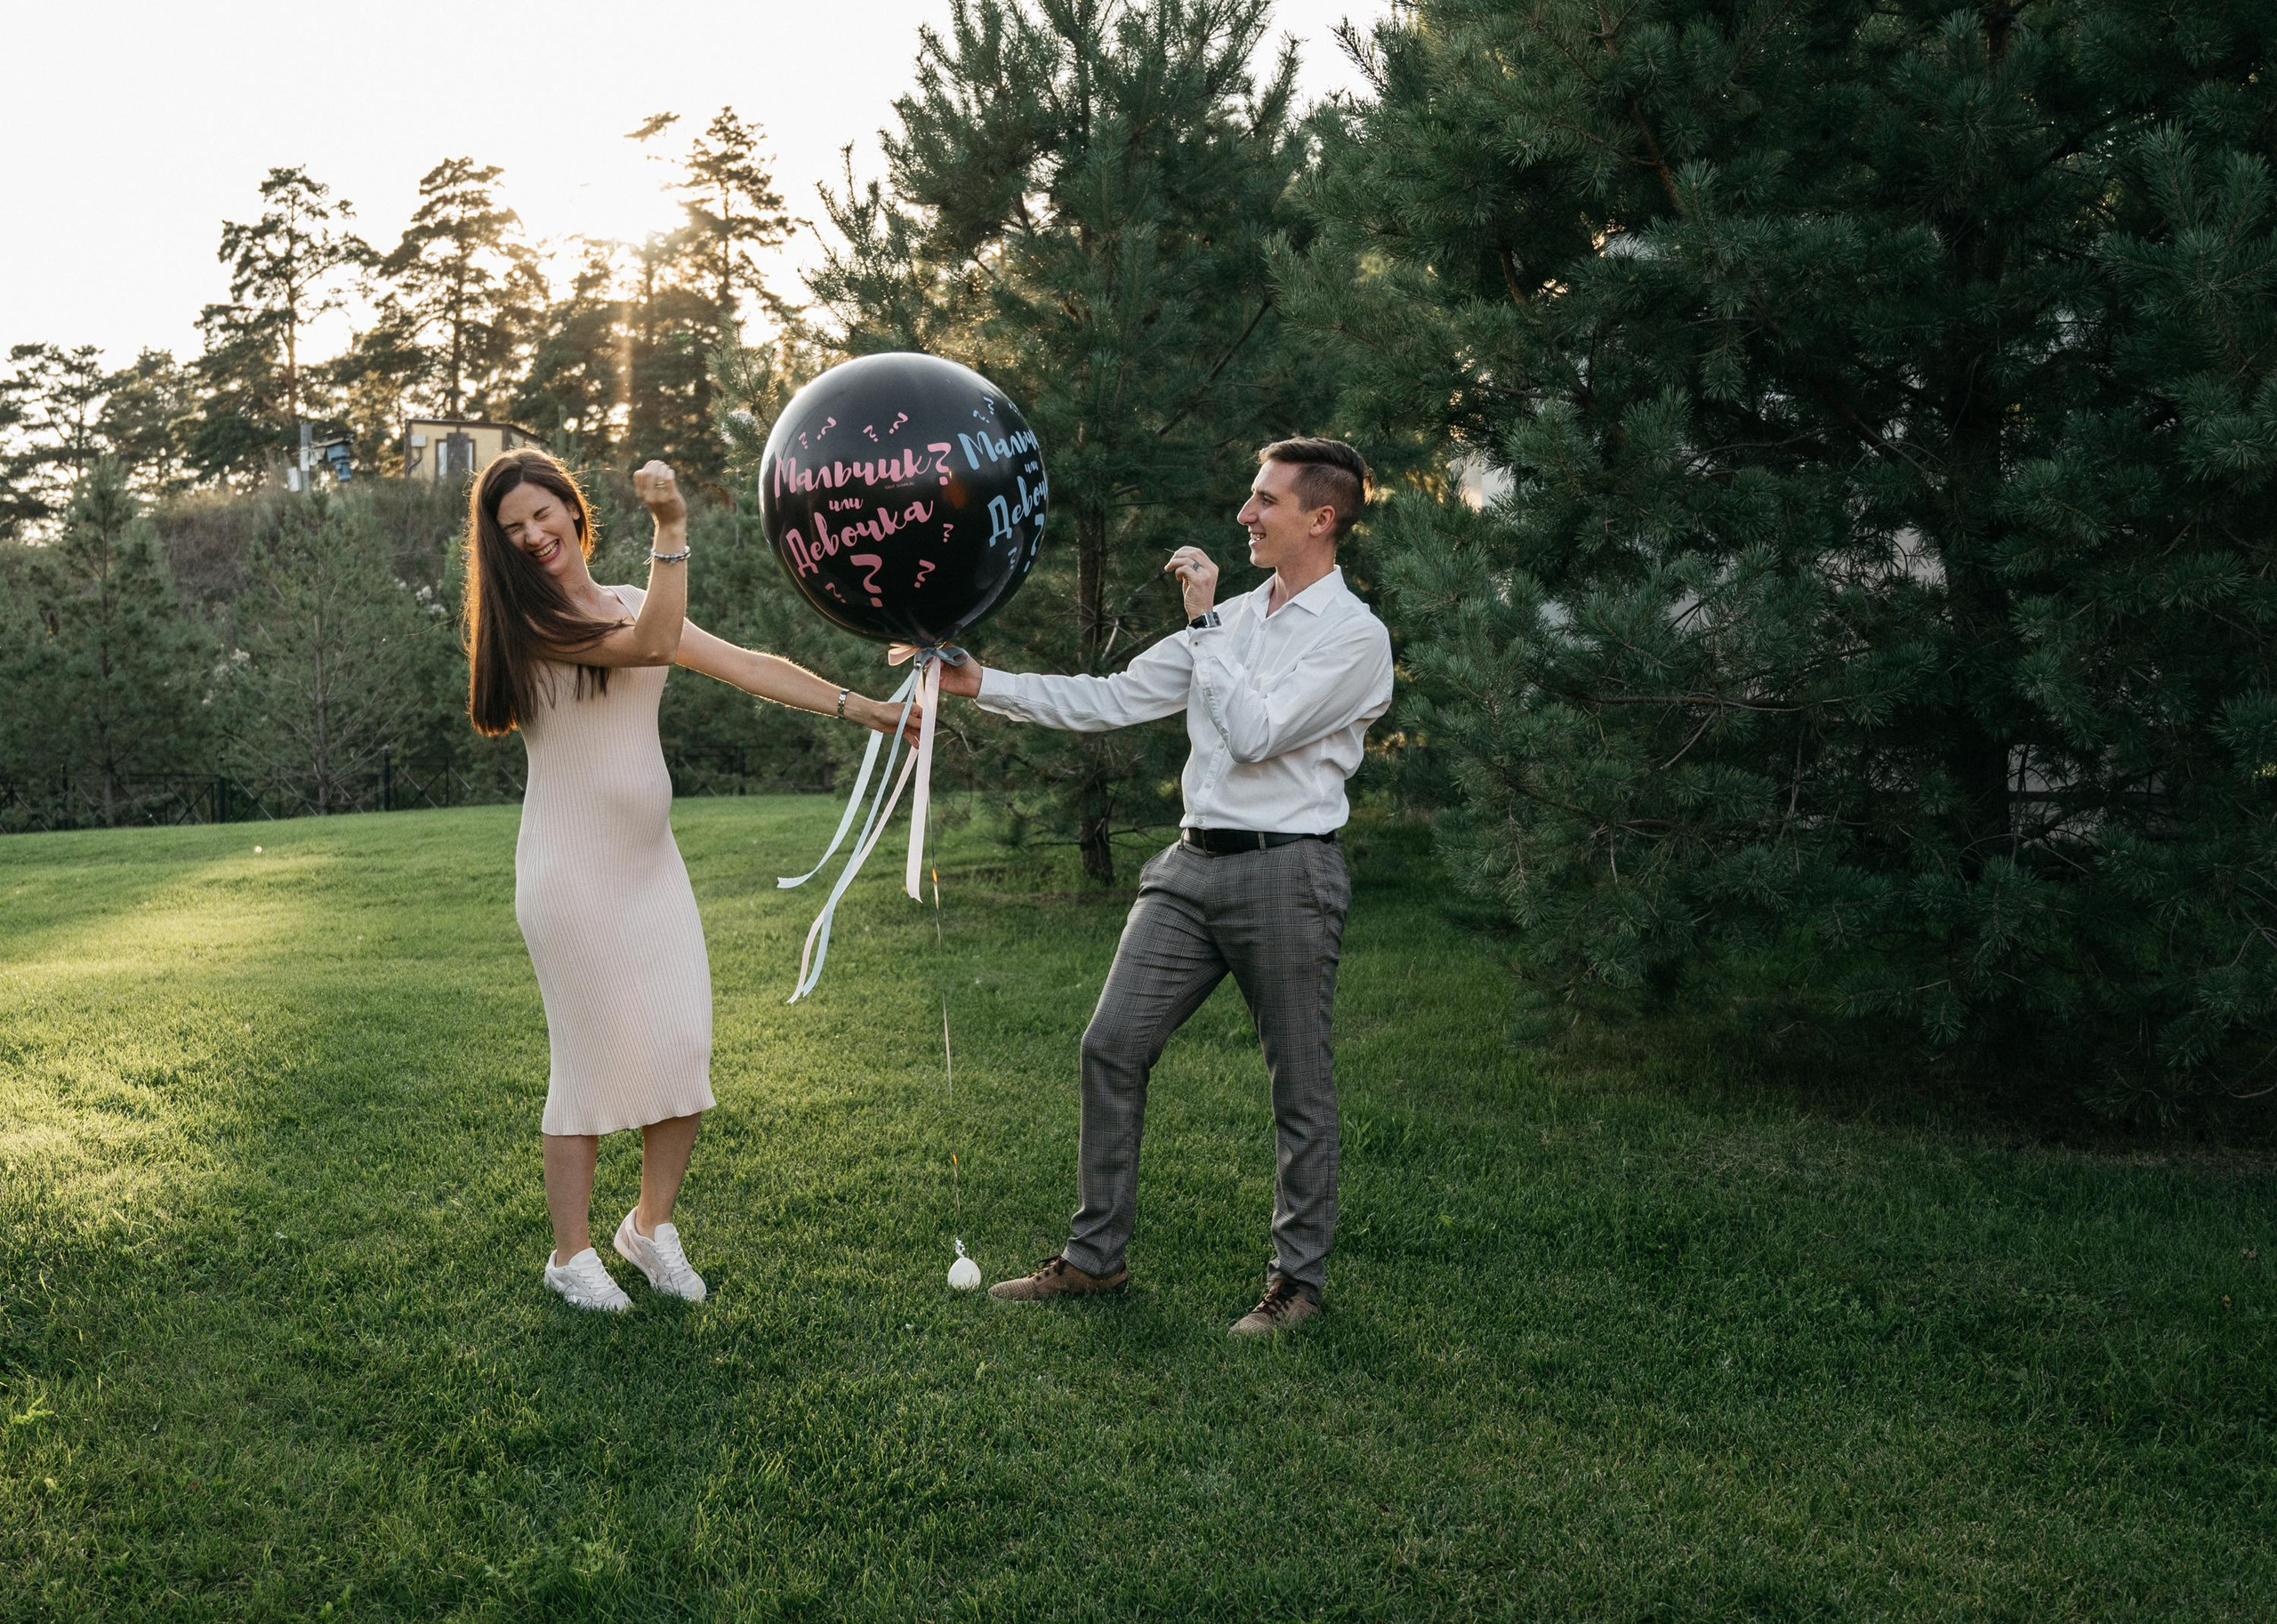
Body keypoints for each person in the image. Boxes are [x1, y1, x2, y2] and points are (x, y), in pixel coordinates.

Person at [936, 437, 1394, 1337]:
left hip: (1289, 870)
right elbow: (1109, 698)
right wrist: (981, 682)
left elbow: (1256, 734)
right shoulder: (1232, 619)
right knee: (1111, 1045)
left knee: (1298, 1084)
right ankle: (1094, 1259)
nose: (1244, 514)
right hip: (1189, 869)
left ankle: (1295, 1284)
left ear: (1321, 517)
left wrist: (1203, 625)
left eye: (1265, 501)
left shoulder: (1355, 636)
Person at [464, 448, 917, 1313]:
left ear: (572, 509)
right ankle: (570, 1256)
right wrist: (672, 528)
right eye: (511, 528)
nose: (531, 535)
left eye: (541, 513)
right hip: (570, 876)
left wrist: (872, 711)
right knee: (586, 1067)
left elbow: (748, 664)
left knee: (681, 1043)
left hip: (651, 867)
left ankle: (649, 1227)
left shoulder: (630, 600)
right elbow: (651, 644)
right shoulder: (531, 625)